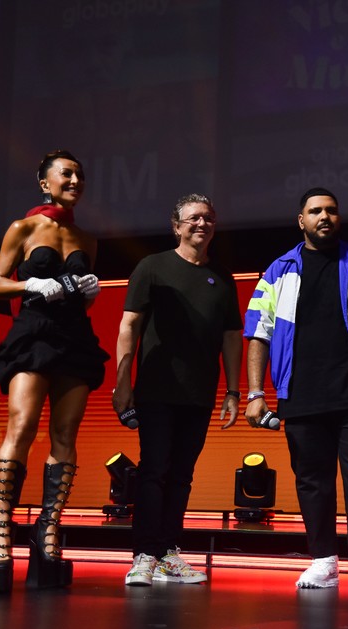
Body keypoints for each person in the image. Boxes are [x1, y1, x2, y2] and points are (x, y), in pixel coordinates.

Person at [244, 187, 348, 591]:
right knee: (311, 479)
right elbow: (258, 333)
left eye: (331, 211)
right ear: (301, 220)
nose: (324, 217)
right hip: (300, 394)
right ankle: (323, 558)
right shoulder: (277, 271)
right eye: (315, 211)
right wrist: (254, 393)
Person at [0, 149, 109, 593]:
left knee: (65, 435)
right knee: (20, 427)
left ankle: (48, 529)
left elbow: (82, 294)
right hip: (34, 331)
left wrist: (89, 293)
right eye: (66, 173)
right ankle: (1, 533)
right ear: (45, 182)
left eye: (79, 174)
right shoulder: (23, 228)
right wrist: (30, 283)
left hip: (74, 337)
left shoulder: (88, 240)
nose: (75, 179)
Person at [113, 193, 243, 586]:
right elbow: (129, 326)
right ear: (176, 226)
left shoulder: (222, 278)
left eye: (208, 218)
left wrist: (234, 391)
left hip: (199, 393)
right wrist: (122, 383)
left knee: (182, 475)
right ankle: (143, 555)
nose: (201, 224)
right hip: (155, 389)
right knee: (154, 471)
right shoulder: (152, 267)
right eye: (193, 218)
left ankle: (168, 552)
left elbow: (231, 337)